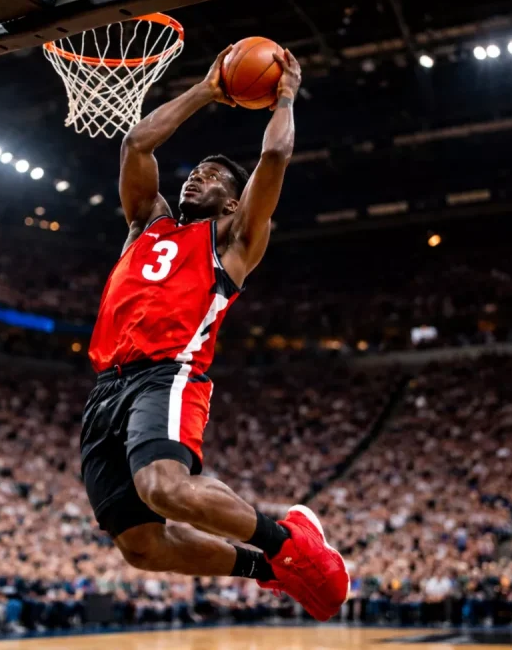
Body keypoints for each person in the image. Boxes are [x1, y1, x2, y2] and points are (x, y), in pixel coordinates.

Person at [80, 44, 348, 621]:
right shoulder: (146, 224)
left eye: (214, 176)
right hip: (105, 389)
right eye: (196, 170)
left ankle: (291, 544)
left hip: (167, 375)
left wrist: (285, 96)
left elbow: (275, 153)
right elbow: (137, 143)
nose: (198, 175)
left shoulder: (233, 242)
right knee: (141, 546)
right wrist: (206, 89)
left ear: (232, 201)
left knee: (165, 488)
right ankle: (269, 570)